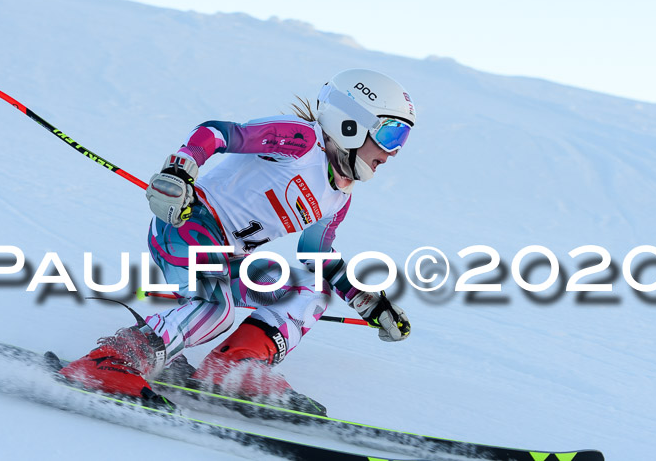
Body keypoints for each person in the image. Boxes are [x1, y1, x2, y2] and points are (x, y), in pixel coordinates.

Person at [59, 69, 416, 415]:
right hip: (189, 229)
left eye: (401, 140)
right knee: (218, 309)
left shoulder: (339, 197)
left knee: (310, 287)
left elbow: (315, 253)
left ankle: (235, 369)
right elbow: (217, 133)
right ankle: (111, 361)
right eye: (390, 135)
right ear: (350, 123)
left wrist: (369, 303)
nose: (393, 152)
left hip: (227, 257)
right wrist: (180, 169)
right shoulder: (302, 141)